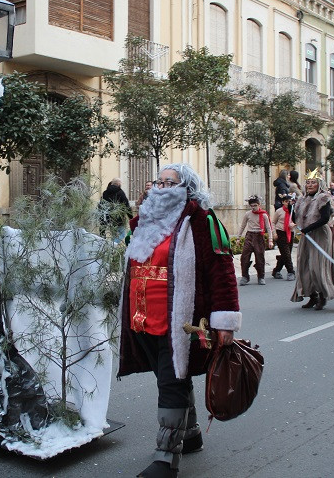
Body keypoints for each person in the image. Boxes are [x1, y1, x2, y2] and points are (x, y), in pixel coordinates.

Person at [118, 163, 240, 478]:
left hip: (182, 322)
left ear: (186, 188)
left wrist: (224, 321)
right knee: (173, 377)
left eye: (169, 182)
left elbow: (223, 273)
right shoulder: (144, 219)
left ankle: (165, 460)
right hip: (143, 319)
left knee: (171, 381)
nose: (160, 187)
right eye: (158, 181)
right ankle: (191, 434)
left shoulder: (203, 220)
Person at [290, 169, 334, 310]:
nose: (310, 185)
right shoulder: (301, 199)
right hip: (306, 236)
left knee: (316, 266)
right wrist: (293, 216)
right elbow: (297, 218)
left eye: (313, 182)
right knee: (304, 265)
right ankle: (311, 295)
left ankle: (322, 295)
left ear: (319, 184)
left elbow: (325, 218)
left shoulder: (324, 198)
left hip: (320, 235)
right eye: (308, 182)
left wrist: (308, 229)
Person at [237, 195, 273, 285]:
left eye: (255, 205)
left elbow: (269, 228)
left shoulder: (264, 215)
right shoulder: (247, 214)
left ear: (259, 204)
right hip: (249, 235)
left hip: (259, 236)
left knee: (260, 257)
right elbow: (242, 226)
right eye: (251, 206)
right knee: (244, 257)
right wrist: (238, 237)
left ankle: (261, 277)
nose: (253, 207)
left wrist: (270, 240)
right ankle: (245, 276)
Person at [99, 178, 132, 243]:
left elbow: (102, 204)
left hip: (108, 217)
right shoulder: (120, 192)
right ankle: (113, 246)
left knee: (114, 234)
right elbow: (126, 205)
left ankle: (112, 248)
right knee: (122, 234)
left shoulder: (105, 192)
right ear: (118, 184)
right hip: (118, 217)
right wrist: (130, 217)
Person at [271, 193, 296, 281]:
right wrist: (274, 233)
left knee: (286, 253)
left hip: (290, 233)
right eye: (286, 201)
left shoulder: (293, 211)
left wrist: (294, 224)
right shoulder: (279, 211)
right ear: (283, 202)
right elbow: (273, 222)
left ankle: (276, 271)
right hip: (280, 232)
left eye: (290, 201)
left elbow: (298, 221)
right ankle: (291, 272)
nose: (288, 203)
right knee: (286, 253)